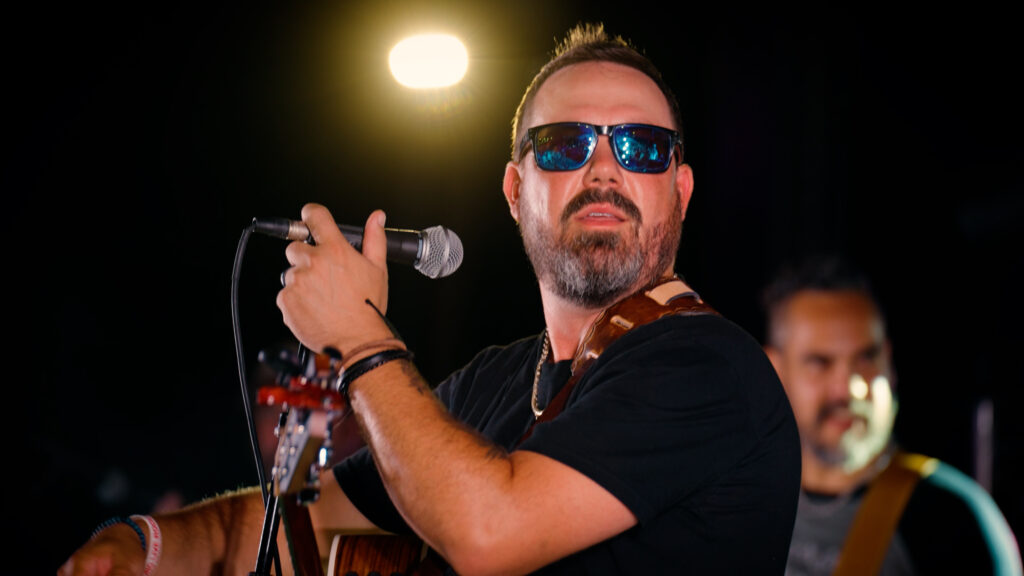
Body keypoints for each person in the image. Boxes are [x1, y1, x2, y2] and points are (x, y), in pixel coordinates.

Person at [60, 23, 802, 575]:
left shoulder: (709, 367)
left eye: (641, 146)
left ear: (680, 189)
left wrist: (361, 337)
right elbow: (287, 527)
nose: (603, 166)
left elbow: (489, 532)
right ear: (516, 191)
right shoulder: (492, 384)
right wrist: (140, 543)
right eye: (563, 144)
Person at [761, 254, 1022, 576]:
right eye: (820, 362)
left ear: (888, 360)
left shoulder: (951, 520)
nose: (850, 389)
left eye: (866, 357)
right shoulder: (735, 503)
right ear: (774, 370)